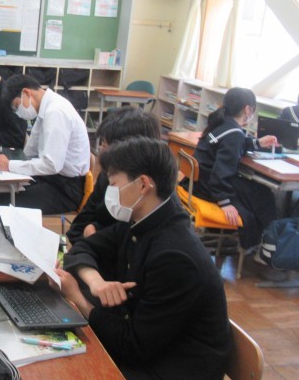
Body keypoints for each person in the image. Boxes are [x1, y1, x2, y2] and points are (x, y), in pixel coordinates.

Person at [58, 137, 231, 380]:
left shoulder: (175, 257)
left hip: (170, 368)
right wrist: (95, 281)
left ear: (143, 184)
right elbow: (83, 247)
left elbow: (134, 347)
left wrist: (78, 299)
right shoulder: (143, 219)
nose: (110, 192)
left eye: (114, 184)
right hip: (147, 348)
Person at [191, 87, 278, 250]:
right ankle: (269, 243)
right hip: (209, 188)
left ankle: (263, 240)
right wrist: (225, 202)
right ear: (248, 110)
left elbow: (236, 142)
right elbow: (220, 173)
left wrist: (257, 143)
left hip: (196, 183)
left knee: (256, 193)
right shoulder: (234, 133)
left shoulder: (222, 122)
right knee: (264, 195)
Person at [0, 74, 90, 214]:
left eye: (17, 106)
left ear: (26, 92)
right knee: (2, 193)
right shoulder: (45, 108)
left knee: (5, 204)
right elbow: (30, 150)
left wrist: (9, 165)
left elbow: (51, 164)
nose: (18, 112)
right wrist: (13, 164)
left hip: (65, 190)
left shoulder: (56, 112)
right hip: (51, 179)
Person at [66, 106, 161, 244]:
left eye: (105, 145)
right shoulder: (107, 176)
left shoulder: (150, 202)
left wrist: (94, 236)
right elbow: (77, 229)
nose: (101, 151)